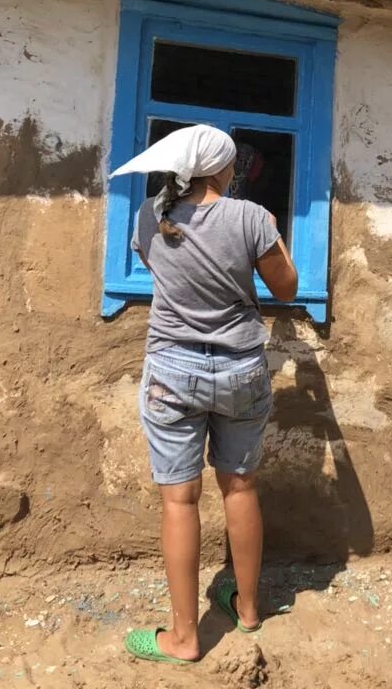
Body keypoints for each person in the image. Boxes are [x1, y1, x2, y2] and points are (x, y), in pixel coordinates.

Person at [110, 124, 299, 666]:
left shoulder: (151, 214)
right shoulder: (250, 217)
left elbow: (158, 268)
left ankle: (184, 637)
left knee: (180, 500)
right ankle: (247, 608)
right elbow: (285, 287)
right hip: (240, 366)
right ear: (226, 169)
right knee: (239, 487)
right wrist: (272, 233)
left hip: (172, 368)